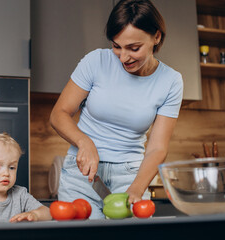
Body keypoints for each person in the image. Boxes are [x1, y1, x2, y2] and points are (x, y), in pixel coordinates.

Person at [50, 0, 183, 219]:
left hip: (131, 176)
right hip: (83, 173)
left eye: (134, 48)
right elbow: (58, 114)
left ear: (156, 37)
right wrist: (85, 142)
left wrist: (137, 188)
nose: (123, 58)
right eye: (116, 46)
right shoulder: (95, 61)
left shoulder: (171, 81)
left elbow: (158, 148)